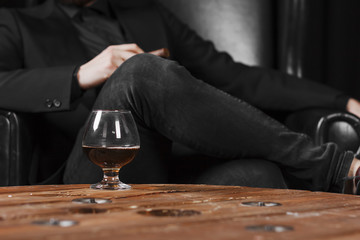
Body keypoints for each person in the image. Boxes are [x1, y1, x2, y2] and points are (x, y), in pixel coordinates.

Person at [0, 0, 360, 193]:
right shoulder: (17, 22)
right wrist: (79, 76)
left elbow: (236, 76)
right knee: (140, 71)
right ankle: (335, 169)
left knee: (258, 175)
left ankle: (330, 171)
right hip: (89, 171)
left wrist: (342, 101)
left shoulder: (148, 14)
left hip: (169, 170)